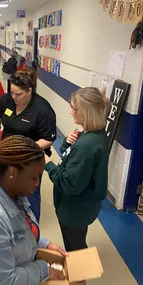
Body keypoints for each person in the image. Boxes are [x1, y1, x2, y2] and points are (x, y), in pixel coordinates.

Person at [0, 135, 67, 285]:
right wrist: (45, 270)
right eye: (34, 177)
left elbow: (19, 233)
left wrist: (43, 244)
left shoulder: (13, 193)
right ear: (12, 173)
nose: (37, 183)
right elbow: (4, 280)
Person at [0, 67, 57, 222]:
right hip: (8, 156)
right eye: (11, 92)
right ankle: (10, 223)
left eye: (18, 94)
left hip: (31, 159)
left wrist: (25, 148)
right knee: (8, 190)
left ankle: (32, 227)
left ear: (29, 91)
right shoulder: (8, 100)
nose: (13, 97)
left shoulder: (42, 109)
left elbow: (49, 139)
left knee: (30, 195)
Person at [44, 87, 109, 254]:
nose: (71, 111)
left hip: (74, 209)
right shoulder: (95, 135)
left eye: (75, 108)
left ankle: (80, 278)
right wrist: (68, 143)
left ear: (87, 112)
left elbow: (69, 183)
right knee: (77, 241)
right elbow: (72, 158)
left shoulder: (87, 146)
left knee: (76, 250)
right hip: (85, 206)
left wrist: (47, 164)